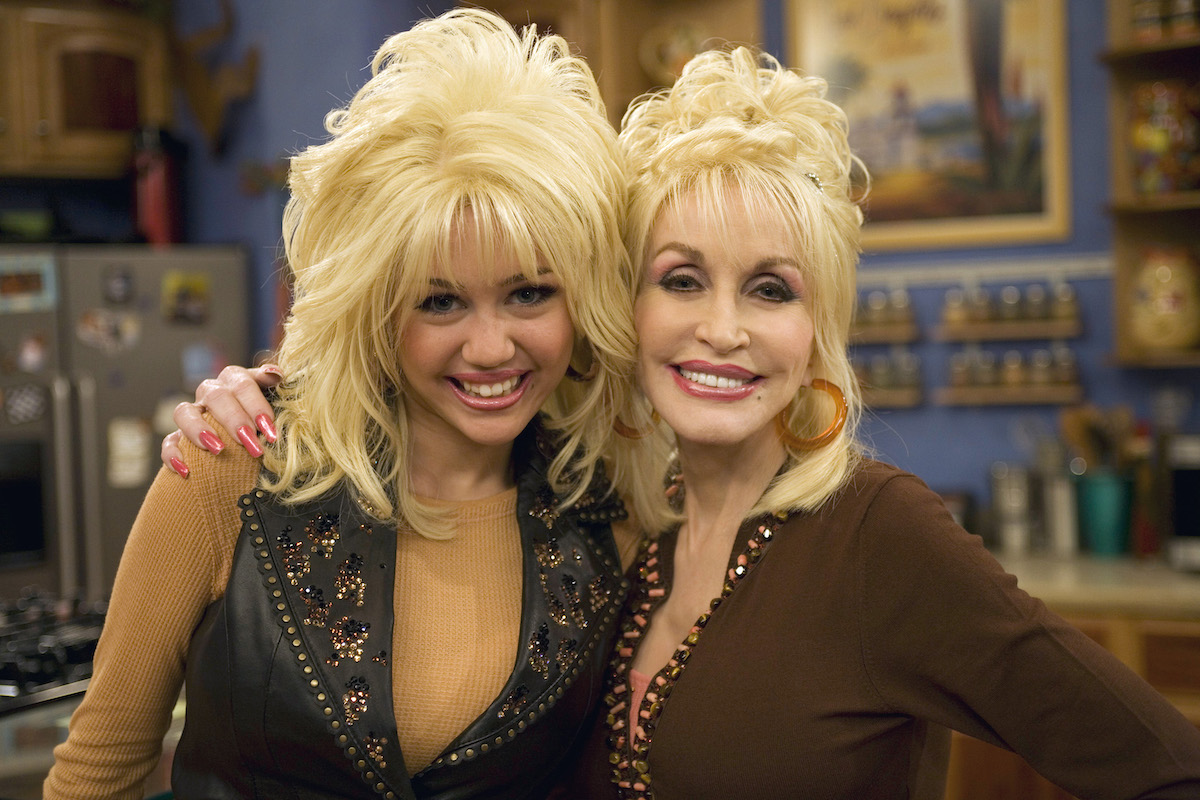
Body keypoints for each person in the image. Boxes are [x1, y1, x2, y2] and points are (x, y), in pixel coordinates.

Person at [163, 47, 1200, 800]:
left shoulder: (878, 537)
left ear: (818, 331)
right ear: (625, 307)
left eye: (771, 289)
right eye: (682, 278)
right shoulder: (620, 526)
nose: (723, 329)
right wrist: (289, 388)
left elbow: (1162, 764)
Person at [46, 9, 646, 799]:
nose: (491, 346)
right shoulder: (234, 468)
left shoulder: (609, 514)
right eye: (440, 302)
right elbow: (97, 772)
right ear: (377, 310)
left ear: (583, 301)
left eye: (529, 293)